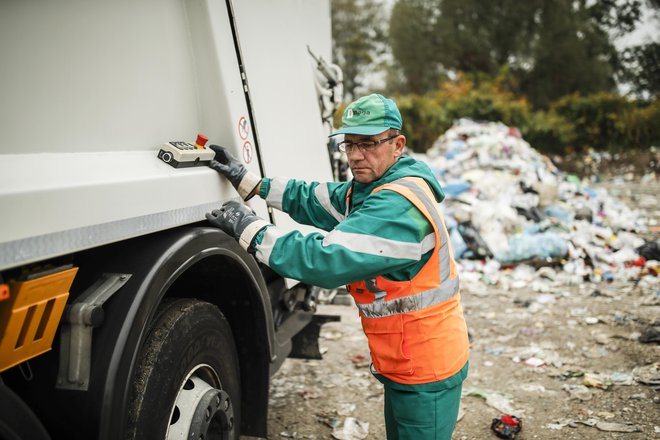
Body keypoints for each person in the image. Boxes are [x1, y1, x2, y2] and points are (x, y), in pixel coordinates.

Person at [206, 94, 469, 440]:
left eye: (369, 144)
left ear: (397, 144)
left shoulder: (398, 206)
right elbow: (313, 198)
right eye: (350, 145)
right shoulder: (370, 188)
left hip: (427, 364)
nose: (357, 156)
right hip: (405, 359)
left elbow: (326, 259)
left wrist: (252, 231)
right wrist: (251, 183)